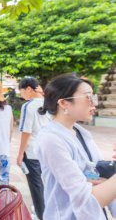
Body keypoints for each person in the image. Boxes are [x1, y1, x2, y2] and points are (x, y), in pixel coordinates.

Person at [36, 74, 116, 220]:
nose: (94, 103)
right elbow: (85, 199)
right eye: (88, 97)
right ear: (64, 103)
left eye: (94, 97)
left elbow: (100, 177)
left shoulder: (81, 133)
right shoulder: (51, 139)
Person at [16, 77, 50, 219]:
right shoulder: (50, 103)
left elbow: (26, 132)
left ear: (29, 89)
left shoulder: (28, 106)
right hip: (48, 150)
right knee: (47, 184)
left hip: (33, 152)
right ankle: (47, 211)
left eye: (22, 91)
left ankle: (41, 215)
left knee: (36, 186)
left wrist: (20, 154)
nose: (21, 95)